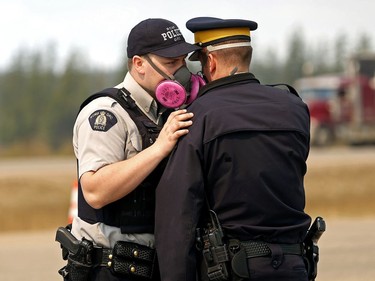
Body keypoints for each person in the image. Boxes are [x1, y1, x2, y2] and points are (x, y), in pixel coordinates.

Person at [155, 17, 312, 281]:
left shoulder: (198, 116)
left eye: (201, 64)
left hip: (231, 269)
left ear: (211, 62)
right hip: (294, 265)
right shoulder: (295, 108)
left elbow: (178, 217)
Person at [57, 18, 203, 281]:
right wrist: (159, 148)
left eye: (184, 62)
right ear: (139, 64)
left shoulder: (167, 114)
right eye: (171, 64)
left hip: (154, 266)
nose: (181, 73)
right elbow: (95, 191)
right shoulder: (106, 113)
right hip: (110, 268)